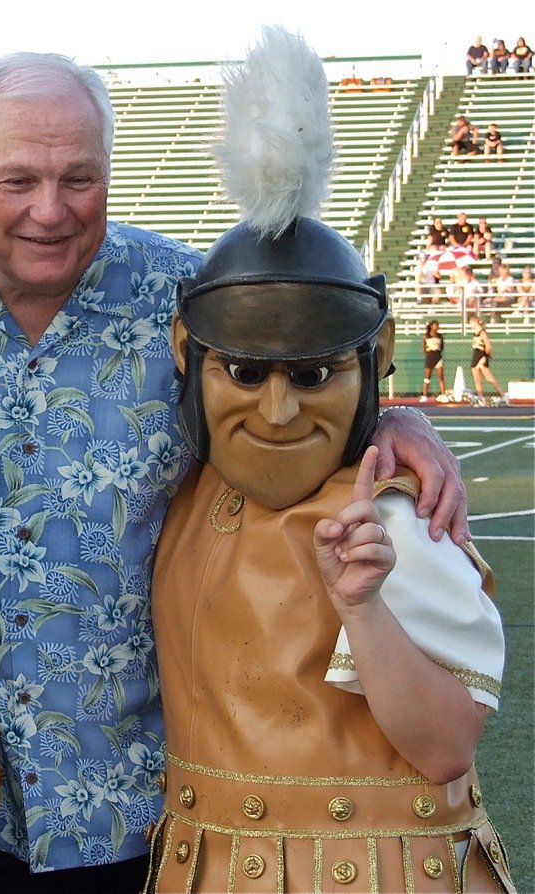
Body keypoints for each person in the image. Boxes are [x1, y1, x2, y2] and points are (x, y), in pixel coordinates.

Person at [0, 50, 470, 891]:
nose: (51, 210)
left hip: (146, 816)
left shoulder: (189, 297)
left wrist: (401, 419)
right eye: (17, 180)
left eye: (80, 177)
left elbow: (311, 371)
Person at [149, 29, 511, 891]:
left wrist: (366, 609)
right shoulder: (188, 490)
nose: (277, 411)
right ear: (183, 352)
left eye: (313, 374)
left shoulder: (395, 512)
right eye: (243, 371)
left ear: (373, 355)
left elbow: (446, 744)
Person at [469, 315, 506, 404]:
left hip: (481, 355)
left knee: (489, 378)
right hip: (476, 355)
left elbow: (488, 346)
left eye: (471, 323)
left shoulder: (482, 333)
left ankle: (503, 395)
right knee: (477, 379)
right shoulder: (475, 333)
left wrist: (485, 357)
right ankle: (481, 397)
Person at [422, 319, 447, 401]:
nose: (437, 327)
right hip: (430, 357)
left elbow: (442, 347)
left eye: (437, 325)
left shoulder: (440, 336)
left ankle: (443, 394)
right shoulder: (426, 336)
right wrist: (428, 354)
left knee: (441, 377)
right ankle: (425, 396)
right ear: (431, 326)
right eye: (435, 325)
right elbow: (424, 348)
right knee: (427, 377)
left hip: (438, 357)